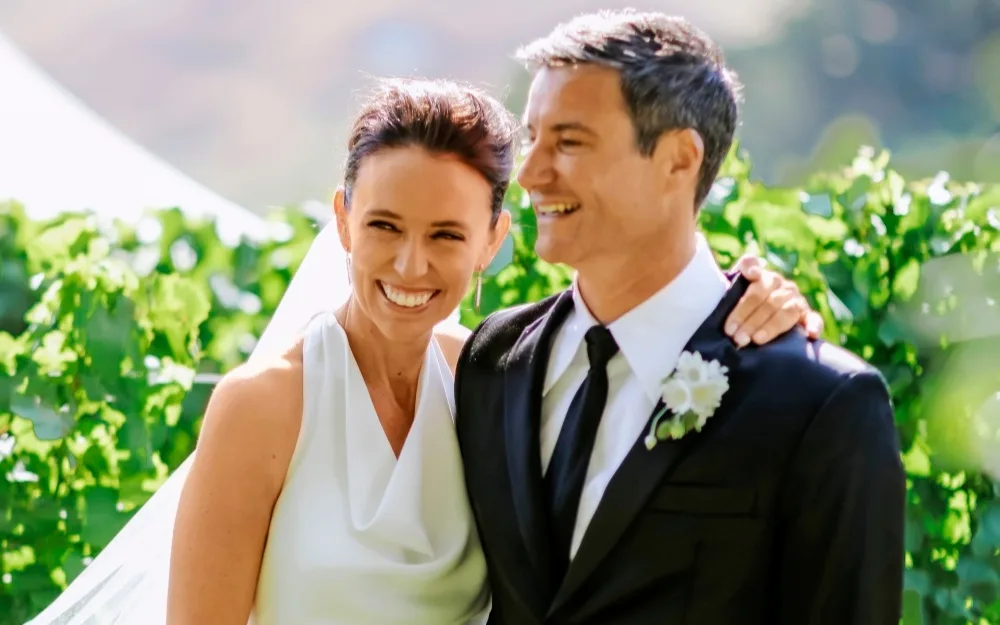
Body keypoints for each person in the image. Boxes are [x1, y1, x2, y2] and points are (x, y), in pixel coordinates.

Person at [27, 79, 819, 625]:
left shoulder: (506, 378)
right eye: (383, 227)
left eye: (446, 235)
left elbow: (645, 329)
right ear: (341, 219)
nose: (411, 266)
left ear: (493, 241)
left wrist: (759, 302)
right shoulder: (264, 403)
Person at [453, 10, 906, 625]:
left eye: (570, 141)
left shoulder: (822, 404)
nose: (529, 173)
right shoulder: (491, 361)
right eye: (532, 138)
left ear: (678, 159)